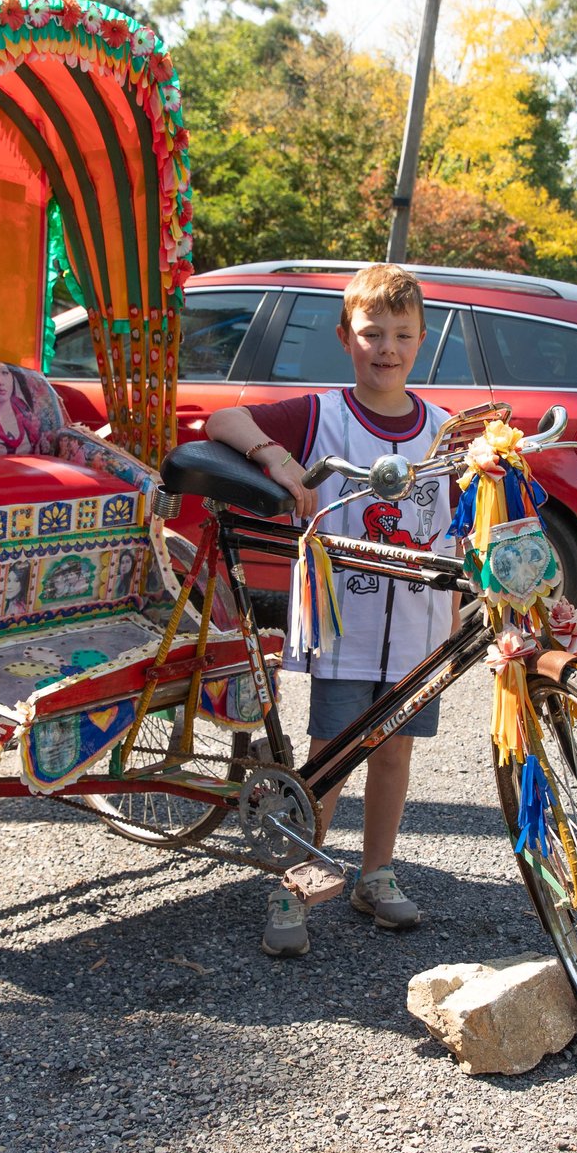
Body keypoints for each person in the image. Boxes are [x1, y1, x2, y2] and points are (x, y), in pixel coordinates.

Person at [202, 264, 452, 959]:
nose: (387, 348)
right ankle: (296, 881)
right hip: (349, 630)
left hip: (419, 633)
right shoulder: (323, 415)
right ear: (346, 337)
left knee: (395, 752)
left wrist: (458, 614)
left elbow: (460, 521)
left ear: (422, 339)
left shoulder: (445, 428)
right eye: (372, 333)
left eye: (403, 334)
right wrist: (279, 460)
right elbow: (220, 417)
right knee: (332, 759)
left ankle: (375, 873)